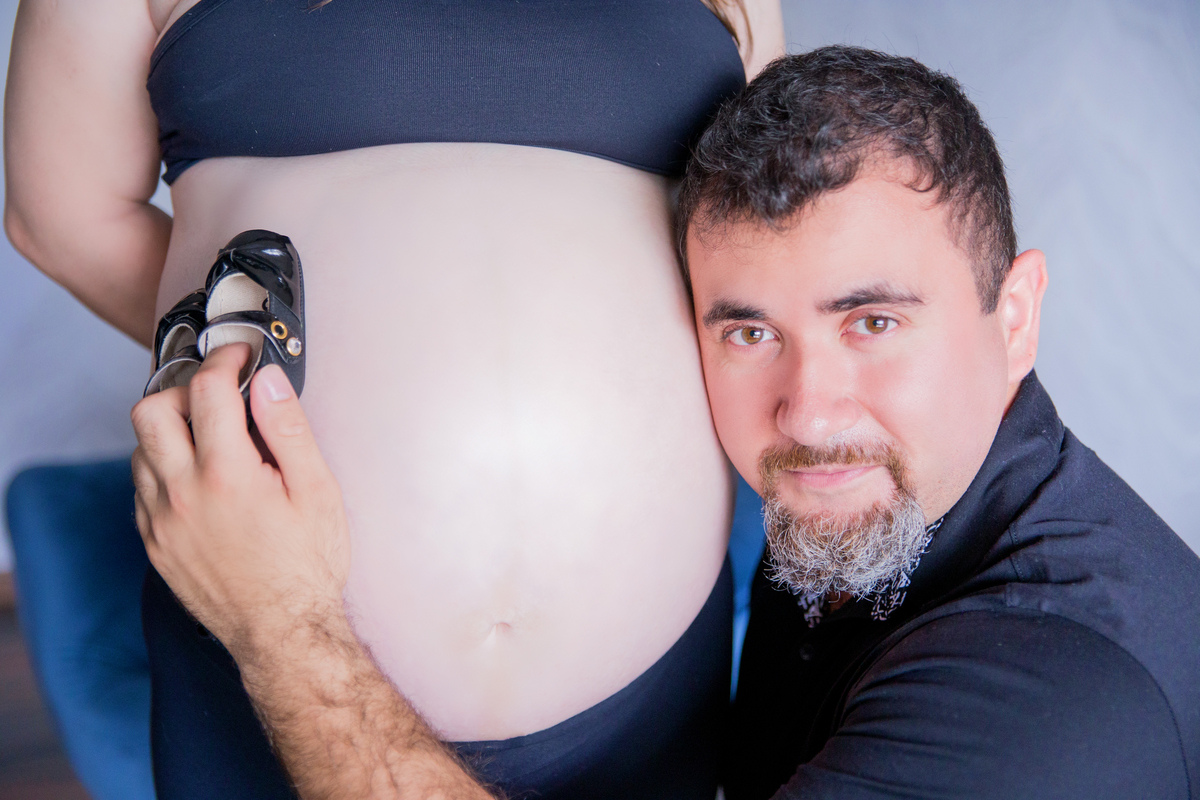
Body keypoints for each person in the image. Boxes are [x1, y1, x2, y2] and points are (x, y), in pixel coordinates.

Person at [131, 45, 1200, 799]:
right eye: (746, 331)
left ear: (1013, 316)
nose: (807, 408)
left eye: (873, 320)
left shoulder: (1055, 699)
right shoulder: (881, 512)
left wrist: (280, 623)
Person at [4, 1, 785, 798]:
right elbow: (63, 218)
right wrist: (245, 359)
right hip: (273, 645)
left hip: (650, 680)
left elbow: (769, 236)